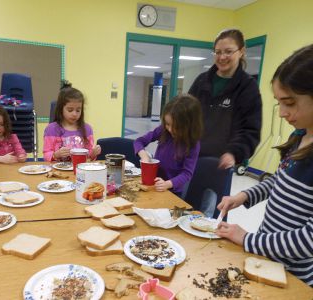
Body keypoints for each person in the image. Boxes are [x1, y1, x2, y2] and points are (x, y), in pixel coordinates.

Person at [216, 44, 313, 287]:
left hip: (293, 277)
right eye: (279, 103)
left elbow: (309, 240)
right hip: (265, 259)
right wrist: (244, 195)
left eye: (289, 103)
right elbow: (278, 182)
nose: (281, 113)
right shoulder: (299, 137)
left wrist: (247, 239)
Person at [188, 29, 262, 169]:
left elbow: (250, 130)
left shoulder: (248, 86)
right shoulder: (202, 80)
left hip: (219, 164)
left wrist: (233, 153)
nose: (222, 57)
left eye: (228, 51)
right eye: (218, 52)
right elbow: (184, 114)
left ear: (241, 51)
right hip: (190, 157)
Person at [134, 95, 203, 195]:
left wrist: (168, 184)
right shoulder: (163, 130)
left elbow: (187, 174)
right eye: (167, 124)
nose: (170, 129)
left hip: (172, 191)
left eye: (177, 127)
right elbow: (139, 141)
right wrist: (144, 156)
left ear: (189, 125)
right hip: (154, 185)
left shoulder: (193, 144)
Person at [43, 81, 101, 162]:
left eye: (78, 110)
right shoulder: (51, 129)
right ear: (61, 109)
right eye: (70, 110)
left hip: (80, 171)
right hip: (59, 172)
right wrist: (56, 155)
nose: (74, 114)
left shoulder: (87, 129)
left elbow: (89, 156)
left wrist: (94, 154)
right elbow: (46, 154)